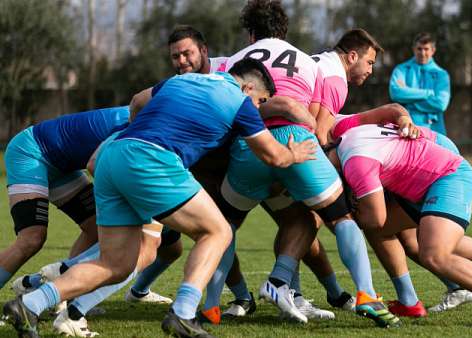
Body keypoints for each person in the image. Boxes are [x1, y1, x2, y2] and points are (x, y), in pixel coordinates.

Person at [3, 59, 317, 338]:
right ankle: (182, 313)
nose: (259, 108)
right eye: (261, 101)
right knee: (218, 231)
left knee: (117, 263)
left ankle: (30, 303)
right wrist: (295, 153)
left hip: (112, 156)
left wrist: (142, 127)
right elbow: (274, 157)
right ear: (248, 86)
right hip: (151, 159)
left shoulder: (181, 80)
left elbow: (138, 101)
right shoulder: (240, 102)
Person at [216, 0, 401, 327]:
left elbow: (224, 108)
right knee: (340, 217)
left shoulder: (233, 60)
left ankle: (210, 305)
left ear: (250, 33)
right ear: (284, 30)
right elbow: (314, 121)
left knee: (222, 228)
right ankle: (367, 296)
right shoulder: (308, 61)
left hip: (251, 144)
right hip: (297, 142)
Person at [327, 104, 472, 326]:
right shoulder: (344, 131)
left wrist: (347, 215)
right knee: (385, 233)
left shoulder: (355, 162)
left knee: (434, 254)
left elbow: (375, 216)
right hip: (427, 178)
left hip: (448, 176)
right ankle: (410, 302)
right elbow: (393, 109)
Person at [0, 106, 130, 294]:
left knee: (97, 229)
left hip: (62, 164)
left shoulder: (156, 115)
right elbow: (97, 166)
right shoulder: (146, 121)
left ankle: (61, 293)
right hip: (30, 151)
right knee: (31, 238)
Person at [388, 32, 450, 134]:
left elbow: (441, 104)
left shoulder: (442, 74)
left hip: (434, 130)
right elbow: (395, 93)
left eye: (426, 49)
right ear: (413, 49)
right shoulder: (401, 69)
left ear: (433, 50)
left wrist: (408, 98)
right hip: (405, 128)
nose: (422, 53)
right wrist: (428, 93)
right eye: (419, 49)